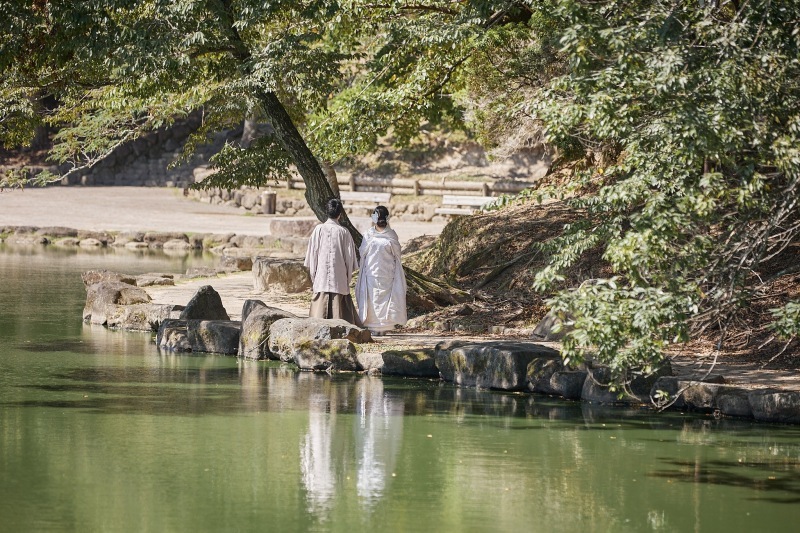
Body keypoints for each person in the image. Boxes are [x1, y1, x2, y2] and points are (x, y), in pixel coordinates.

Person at [304, 198, 362, 325]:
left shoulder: (318, 230)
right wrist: (347, 276)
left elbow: (312, 256)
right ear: (340, 214)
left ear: (326, 212)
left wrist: (314, 275)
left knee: (317, 318)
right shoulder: (344, 232)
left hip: (321, 277)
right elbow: (350, 258)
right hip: (339, 278)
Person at [355, 205, 407, 334]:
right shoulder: (372, 235)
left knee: (383, 300)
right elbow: (397, 253)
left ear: (374, 218)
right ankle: (374, 326)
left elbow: (362, 252)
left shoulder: (387, 235)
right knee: (373, 300)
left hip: (385, 275)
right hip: (374, 274)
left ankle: (385, 326)